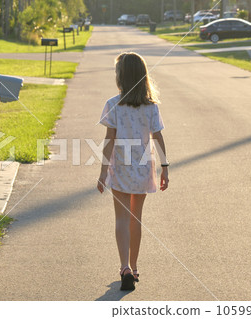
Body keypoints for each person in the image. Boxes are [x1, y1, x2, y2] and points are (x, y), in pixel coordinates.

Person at [97, 52, 169, 291]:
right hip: (143, 168)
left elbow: (109, 140)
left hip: (120, 168)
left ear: (121, 77)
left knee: (121, 218)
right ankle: (135, 268)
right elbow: (157, 137)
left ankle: (124, 266)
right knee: (136, 219)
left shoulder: (113, 104)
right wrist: (165, 168)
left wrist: (102, 172)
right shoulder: (151, 107)